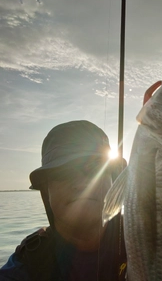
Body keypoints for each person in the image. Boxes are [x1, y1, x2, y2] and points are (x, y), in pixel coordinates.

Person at [0, 120, 127, 281]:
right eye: (63, 172)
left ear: (114, 181)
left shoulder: (153, 239)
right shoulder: (25, 265)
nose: (81, 184)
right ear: (46, 191)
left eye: (94, 168)